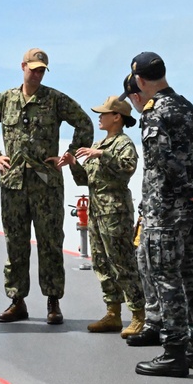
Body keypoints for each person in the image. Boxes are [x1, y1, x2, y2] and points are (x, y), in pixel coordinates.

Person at [0, 48, 94, 324]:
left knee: (50, 243)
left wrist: (71, 154)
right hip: (14, 183)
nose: (38, 74)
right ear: (23, 67)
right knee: (16, 242)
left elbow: (84, 123)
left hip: (46, 184)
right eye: (34, 69)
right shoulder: (4, 100)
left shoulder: (54, 100)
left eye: (42, 70)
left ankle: (53, 302)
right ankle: (17, 301)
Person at [124, 53, 193, 377]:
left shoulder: (155, 114)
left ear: (140, 80)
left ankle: (174, 353)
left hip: (165, 214)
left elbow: (161, 162)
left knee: (166, 280)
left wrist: (192, 189)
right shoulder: (191, 111)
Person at [61, 96, 146, 337]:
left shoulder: (123, 144)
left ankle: (139, 314)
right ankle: (113, 313)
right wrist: (73, 164)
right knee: (100, 261)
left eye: (104, 113)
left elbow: (127, 167)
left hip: (115, 211)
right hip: (97, 211)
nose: (99, 117)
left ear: (117, 117)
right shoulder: (101, 143)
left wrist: (101, 155)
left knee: (122, 262)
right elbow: (85, 180)